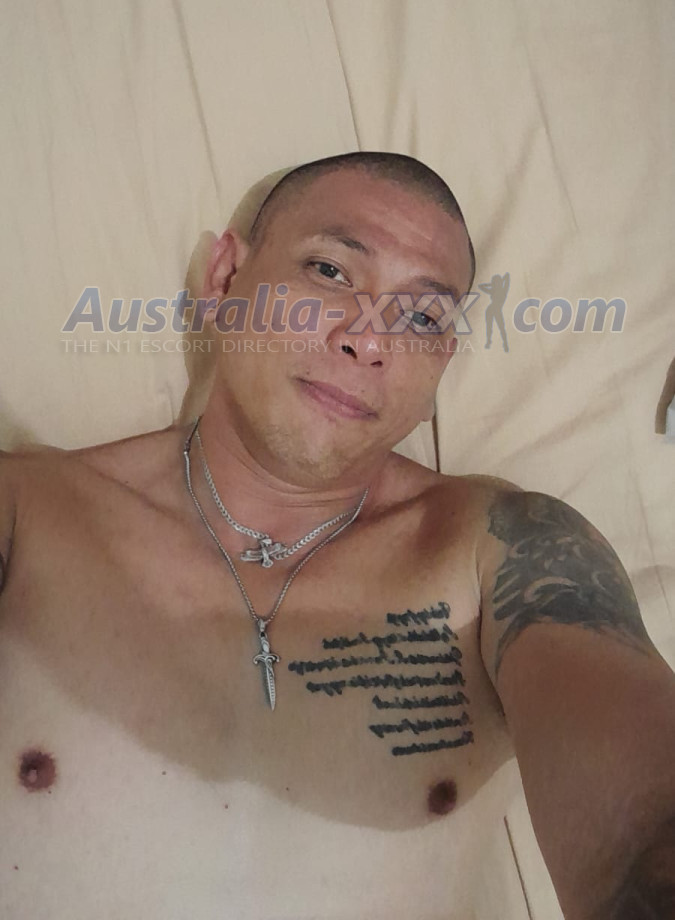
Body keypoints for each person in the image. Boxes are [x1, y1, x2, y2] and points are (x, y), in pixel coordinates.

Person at [0, 151, 673, 920]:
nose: (368, 338)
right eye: (329, 271)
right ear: (223, 280)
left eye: (422, 317)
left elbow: (645, 821)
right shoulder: (26, 512)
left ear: (440, 365)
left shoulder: (500, 548)